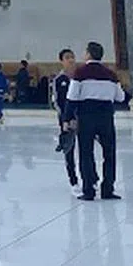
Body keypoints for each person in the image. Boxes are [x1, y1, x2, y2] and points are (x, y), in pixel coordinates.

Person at [64, 41, 124, 201]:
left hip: (86, 116)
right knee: (109, 153)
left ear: (88, 54)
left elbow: (72, 97)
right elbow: (120, 97)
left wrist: (67, 118)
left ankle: (89, 189)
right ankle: (108, 189)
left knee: (86, 153)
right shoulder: (111, 75)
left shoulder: (80, 73)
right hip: (106, 117)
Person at [51, 49, 79, 194]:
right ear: (62, 61)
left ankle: (91, 179)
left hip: (81, 118)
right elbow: (57, 102)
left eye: (72, 57)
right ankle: (73, 180)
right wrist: (65, 119)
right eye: (67, 57)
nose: (71, 60)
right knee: (69, 149)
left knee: (86, 148)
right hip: (66, 120)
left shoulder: (79, 78)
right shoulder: (59, 80)